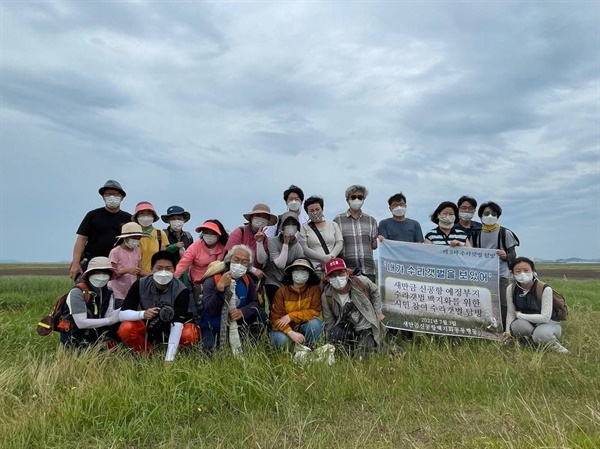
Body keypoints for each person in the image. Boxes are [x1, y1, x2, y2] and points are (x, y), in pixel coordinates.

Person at [118, 251, 200, 362]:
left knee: (190, 334)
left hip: (174, 326)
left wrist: (168, 360)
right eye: (159, 268)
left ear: (174, 270)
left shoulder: (181, 290)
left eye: (168, 268)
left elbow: (177, 325)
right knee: (126, 328)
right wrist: (143, 314)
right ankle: (147, 355)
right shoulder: (140, 284)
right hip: (148, 325)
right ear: (152, 269)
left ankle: (177, 356)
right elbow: (122, 314)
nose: (163, 272)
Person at [200, 245, 268, 353]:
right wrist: (219, 289)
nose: (239, 264)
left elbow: (255, 302)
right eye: (236, 260)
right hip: (214, 323)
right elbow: (209, 309)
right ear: (229, 260)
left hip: (237, 322)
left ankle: (251, 343)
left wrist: (242, 312)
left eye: (244, 262)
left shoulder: (247, 279)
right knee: (210, 349)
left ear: (248, 265)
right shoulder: (213, 280)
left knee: (261, 314)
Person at [321, 258, 385, 359]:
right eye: (333, 275)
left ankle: (381, 347)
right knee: (336, 337)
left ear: (347, 273)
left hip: (365, 327)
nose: (337, 278)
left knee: (365, 355)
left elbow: (375, 291)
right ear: (328, 278)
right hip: (344, 328)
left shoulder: (360, 282)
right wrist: (330, 344)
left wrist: (378, 312)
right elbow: (329, 322)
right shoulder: (326, 296)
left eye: (341, 273)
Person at [69, 180, 132, 280]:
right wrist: (76, 262)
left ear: (122, 197)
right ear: (103, 197)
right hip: (92, 262)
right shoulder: (92, 215)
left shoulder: (128, 218)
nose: (112, 197)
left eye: (115, 194)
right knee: (85, 291)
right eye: (108, 194)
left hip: (118, 265)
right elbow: (81, 239)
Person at [504, 257, 568, 353]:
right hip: (528, 323)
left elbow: (545, 318)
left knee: (541, 335)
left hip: (548, 323)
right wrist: (508, 332)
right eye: (518, 271)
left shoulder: (544, 289)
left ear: (533, 271)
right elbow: (510, 313)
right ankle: (533, 342)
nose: (522, 274)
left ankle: (559, 349)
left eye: (526, 270)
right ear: (513, 274)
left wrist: (520, 315)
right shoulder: (511, 289)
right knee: (516, 326)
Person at [472, 201, 519, 329]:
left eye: (494, 214)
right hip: (482, 276)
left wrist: (506, 255)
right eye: (486, 213)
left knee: (503, 302)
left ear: (498, 216)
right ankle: (487, 326)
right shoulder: (475, 234)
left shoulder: (505, 233)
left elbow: (513, 255)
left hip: (501, 275)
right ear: (481, 216)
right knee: (484, 302)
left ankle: (504, 328)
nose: (490, 216)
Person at [62, 256, 121, 348]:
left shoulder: (109, 292)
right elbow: (81, 323)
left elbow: (109, 314)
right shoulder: (77, 292)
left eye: (105, 272)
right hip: (75, 337)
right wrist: (109, 321)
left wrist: (124, 311)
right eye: (97, 272)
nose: (101, 276)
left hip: (95, 335)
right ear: (89, 274)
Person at [270, 258, 323, 350]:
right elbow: (275, 318)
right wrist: (290, 332)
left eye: (304, 270)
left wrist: (291, 316)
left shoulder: (314, 289)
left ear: (310, 274)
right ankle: (292, 352)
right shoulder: (282, 292)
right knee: (282, 340)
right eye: (297, 269)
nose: (300, 272)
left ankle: (310, 349)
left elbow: (315, 311)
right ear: (291, 272)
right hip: (284, 329)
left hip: (304, 326)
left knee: (316, 324)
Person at [333, 185, 378, 282]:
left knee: (369, 297)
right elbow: (334, 244)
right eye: (353, 197)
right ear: (347, 200)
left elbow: (374, 245)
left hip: (368, 271)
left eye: (360, 197)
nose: (357, 199)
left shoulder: (371, 221)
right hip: (347, 271)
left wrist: (381, 239)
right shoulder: (338, 220)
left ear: (363, 199)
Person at [224, 203, 278, 279]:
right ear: (251, 218)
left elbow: (261, 260)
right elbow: (229, 255)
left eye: (265, 217)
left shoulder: (266, 239)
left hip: (253, 278)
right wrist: (253, 270)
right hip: (234, 273)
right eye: (258, 216)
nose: (261, 219)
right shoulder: (239, 232)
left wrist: (259, 242)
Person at [298, 195, 343, 279]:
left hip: (332, 267)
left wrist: (331, 257)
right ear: (307, 212)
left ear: (322, 209)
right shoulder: (304, 228)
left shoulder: (333, 225)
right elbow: (304, 248)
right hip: (314, 268)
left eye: (317, 209)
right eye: (311, 210)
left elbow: (339, 243)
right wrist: (322, 258)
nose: (315, 212)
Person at [264, 212, 305, 302]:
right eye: (287, 224)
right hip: (272, 279)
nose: (291, 227)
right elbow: (280, 264)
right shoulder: (272, 242)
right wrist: (285, 244)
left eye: (294, 224)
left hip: (288, 280)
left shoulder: (298, 247)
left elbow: (299, 266)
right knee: (275, 306)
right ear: (282, 227)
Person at [108, 222, 147, 308]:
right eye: (133, 238)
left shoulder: (138, 250)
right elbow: (112, 274)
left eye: (138, 238)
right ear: (125, 238)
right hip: (117, 292)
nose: (136, 240)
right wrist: (127, 270)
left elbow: (139, 270)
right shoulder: (115, 252)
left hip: (130, 291)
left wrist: (153, 275)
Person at [133, 201, 168, 276]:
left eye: (149, 213)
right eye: (142, 213)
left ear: (153, 216)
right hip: (134, 277)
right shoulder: (131, 235)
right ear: (137, 217)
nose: (145, 216)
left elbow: (163, 258)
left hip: (155, 277)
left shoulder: (161, 234)